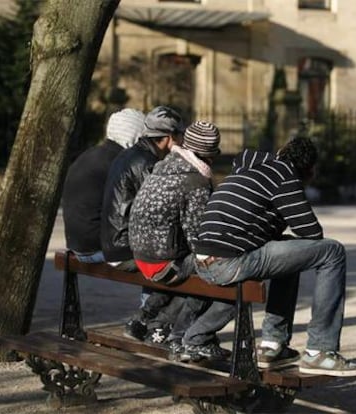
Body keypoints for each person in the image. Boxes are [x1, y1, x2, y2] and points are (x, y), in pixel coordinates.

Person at [194, 136, 356, 376]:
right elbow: (312, 232)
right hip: (228, 263)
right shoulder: (284, 175)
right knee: (332, 251)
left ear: (282, 151)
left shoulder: (250, 168)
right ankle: (320, 351)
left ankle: (273, 346)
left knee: (292, 251)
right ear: (309, 170)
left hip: (204, 260)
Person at [129, 121, 234, 361]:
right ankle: (184, 336)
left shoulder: (162, 166)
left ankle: (149, 317)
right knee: (213, 267)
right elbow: (199, 238)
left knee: (199, 266)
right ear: (208, 155)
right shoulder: (195, 181)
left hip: (141, 257)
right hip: (163, 265)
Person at [100, 105, 185, 340]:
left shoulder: (129, 154)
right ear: (169, 138)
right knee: (184, 266)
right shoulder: (148, 164)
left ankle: (149, 322)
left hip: (114, 242)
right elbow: (160, 211)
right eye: (180, 136)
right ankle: (154, 325)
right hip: (125, 248)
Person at [62, 108, 145, 263]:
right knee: (157, 256)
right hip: (98, 248)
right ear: (135, 135)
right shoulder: (121, 163)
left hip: (77, 244)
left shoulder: (91, 154)